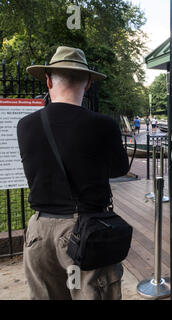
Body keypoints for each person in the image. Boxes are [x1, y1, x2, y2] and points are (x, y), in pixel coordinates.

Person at [17, 46, 129, 300]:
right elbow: (120, 168)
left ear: (48, 80)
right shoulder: (103, 125)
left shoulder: (25, 125)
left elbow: (36, 171)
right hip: (86, 230)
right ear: (88, 83)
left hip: (39, 232)